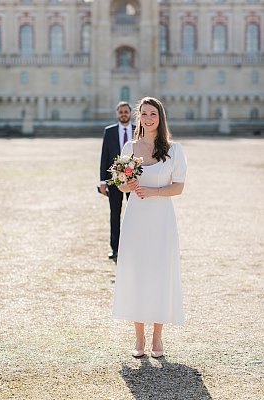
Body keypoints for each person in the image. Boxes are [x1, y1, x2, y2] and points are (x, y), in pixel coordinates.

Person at [112, 97, 187, 358]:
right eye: (143, 114)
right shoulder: (129, 147)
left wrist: (154, 191)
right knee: (137, 273)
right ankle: (138, 338)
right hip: (136, 218)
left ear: (160, 116)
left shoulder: (174, 150)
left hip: (161, 218)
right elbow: (120, 184)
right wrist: (127, 186)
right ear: (138, 118)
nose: (148, 118)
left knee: (159, 274)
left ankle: (158, 338)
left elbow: (178, 186)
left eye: (152, 113)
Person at [100, 101, 135, 260]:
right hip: (114, 181)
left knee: (134, 214)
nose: (123, 114)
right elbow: (104, 157)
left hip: (134, 180)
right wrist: (102, 181)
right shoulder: (110, 132)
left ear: (131, 113)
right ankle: (115, 248)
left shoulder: (138, 131)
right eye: (120, 112)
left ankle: (132, 247)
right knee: (115, 215)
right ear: (117, 114)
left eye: (126, 111)